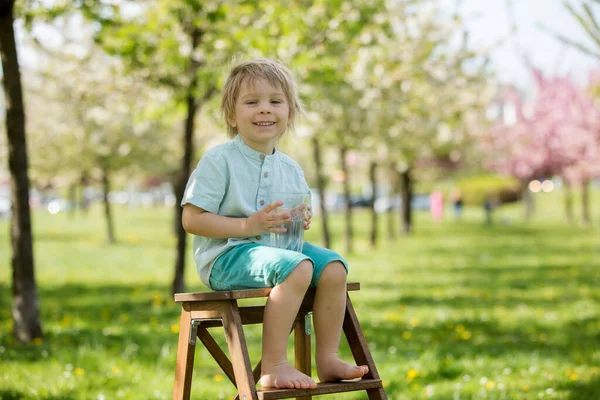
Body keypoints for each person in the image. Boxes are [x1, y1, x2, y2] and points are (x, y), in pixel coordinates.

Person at [180, 58, 368, 390]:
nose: (264, 109)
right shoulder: (219, 160)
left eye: (275, 101)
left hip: (280, 249)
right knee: (298, 268)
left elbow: (294, 210)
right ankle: (274, 365)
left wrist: (301, 217)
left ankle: (327, 359)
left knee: (335, 267)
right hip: (227, 256)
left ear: (289, 113)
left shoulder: (291, 167)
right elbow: (191, 219)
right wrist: (247, 226)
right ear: (231, 115)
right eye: (252, 102)